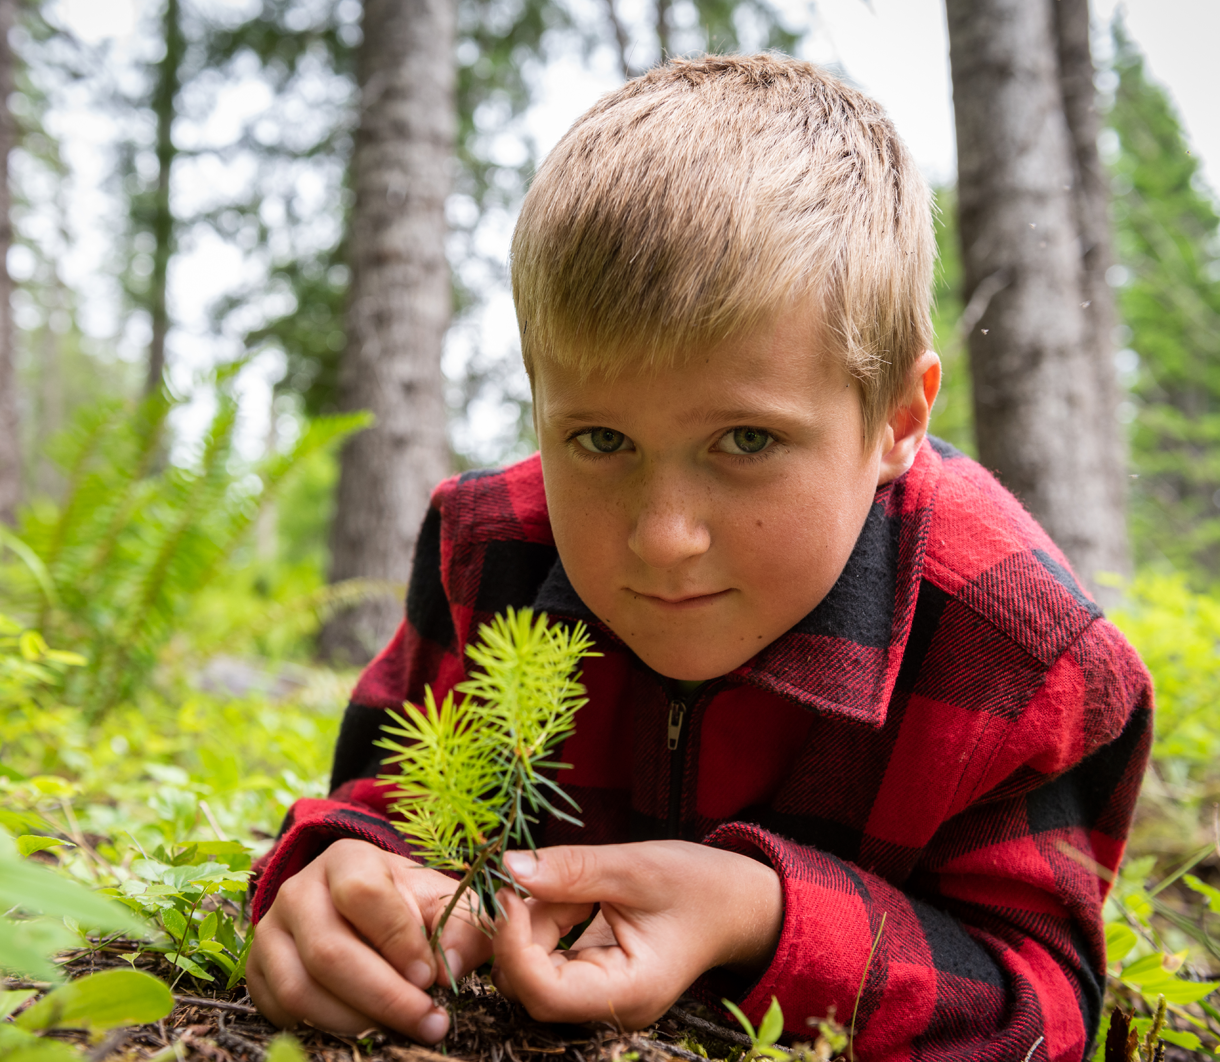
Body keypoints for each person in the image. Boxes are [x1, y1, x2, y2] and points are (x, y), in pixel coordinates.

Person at [246, 54, 1152, 1060]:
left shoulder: (1013, 653)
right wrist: (337, 881)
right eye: (598, 442)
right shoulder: (489, 553)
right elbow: (383, 808)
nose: (661, 535)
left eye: (747, 442)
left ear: (897, 417)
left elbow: (1043, 1002)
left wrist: (761, 912)